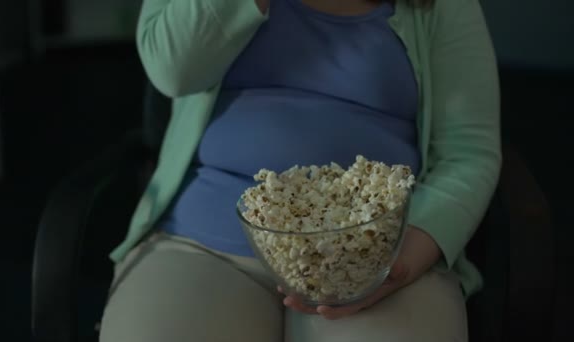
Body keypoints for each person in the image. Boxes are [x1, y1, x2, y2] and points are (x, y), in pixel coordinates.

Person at [99, 0, 501, 341]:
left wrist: (396, 264)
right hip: (202, 240)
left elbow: (468, 152)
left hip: (376, 248)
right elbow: (172, 69)